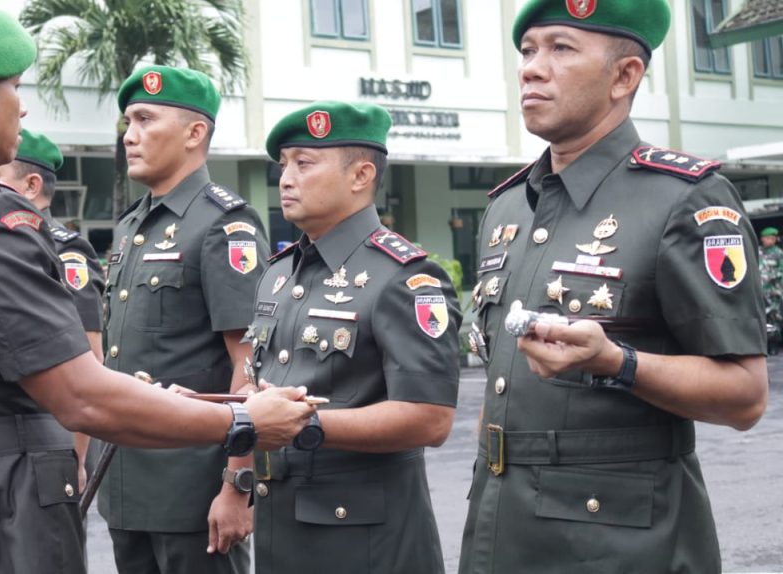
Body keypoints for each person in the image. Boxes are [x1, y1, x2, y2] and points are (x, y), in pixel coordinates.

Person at [0, 2, 314, 572]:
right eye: (14, 88)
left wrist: (232, 476)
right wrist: (242, 422)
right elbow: (81, 394)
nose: (22, 106)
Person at [460, 2, 768, 572]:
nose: (531, 68)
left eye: (561, 48)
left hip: (619, 546)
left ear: (624, 76)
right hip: (500, 529)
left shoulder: (684, 198)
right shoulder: (508, 207)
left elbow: (745, 397)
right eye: (527, 50)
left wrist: (617, 363)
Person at [248, 101, 462, 574]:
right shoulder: (278, 275)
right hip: (281, 525)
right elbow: (262, 382)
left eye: (304, 163)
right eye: (283, 164)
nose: (285, 179)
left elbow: (430, 418)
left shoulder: (404, 277)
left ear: (361, 176)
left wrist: (303, 424)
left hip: (365, 540)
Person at [98, 64, 269, 574]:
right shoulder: (131, 225)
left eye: (146, 120)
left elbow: (251, 368)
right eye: (128, 122)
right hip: (125, 480)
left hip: (193, 491)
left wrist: (237, 483)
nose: (130, 136)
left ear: (195, 133)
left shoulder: (224, 225)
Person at [0, 128, 105, 490]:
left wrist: (76, 458)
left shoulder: (66, 251)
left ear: (31, 186)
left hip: (54, 437)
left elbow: (91, 358)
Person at [758, 226, 783, 349]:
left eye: (773, 238)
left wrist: (769, 276)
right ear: (762, 239)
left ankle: (774, 344)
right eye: (768, 238)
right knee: (762, 318)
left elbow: (781, 270)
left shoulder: (778, 253)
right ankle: (764, 344)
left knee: (775, 318)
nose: (770, 240)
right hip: (759, 292)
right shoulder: (757, 251)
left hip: (773, 292)